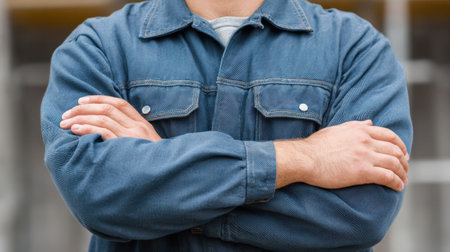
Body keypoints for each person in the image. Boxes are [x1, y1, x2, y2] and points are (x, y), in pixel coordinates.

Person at [40, 0, 413, 251]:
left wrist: (163, 177)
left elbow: (362, 213)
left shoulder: (354, 47)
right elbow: (100, 197)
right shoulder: (99, 47)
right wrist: (306, 159)